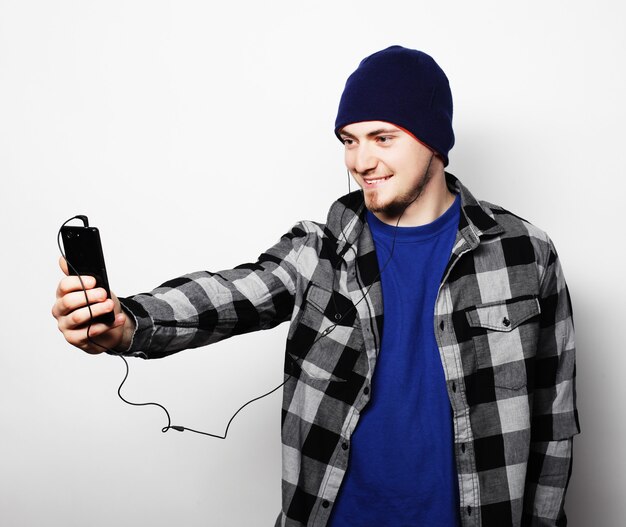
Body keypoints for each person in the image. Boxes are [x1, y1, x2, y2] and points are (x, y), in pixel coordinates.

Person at [52, 46, 580, 527]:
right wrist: (127, 322)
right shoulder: (319, 249)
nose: (360, 162)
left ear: (434, 140)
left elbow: (553, 421)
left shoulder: (523, 253)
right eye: (349, 141)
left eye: (382, 138)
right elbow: (231, 295)